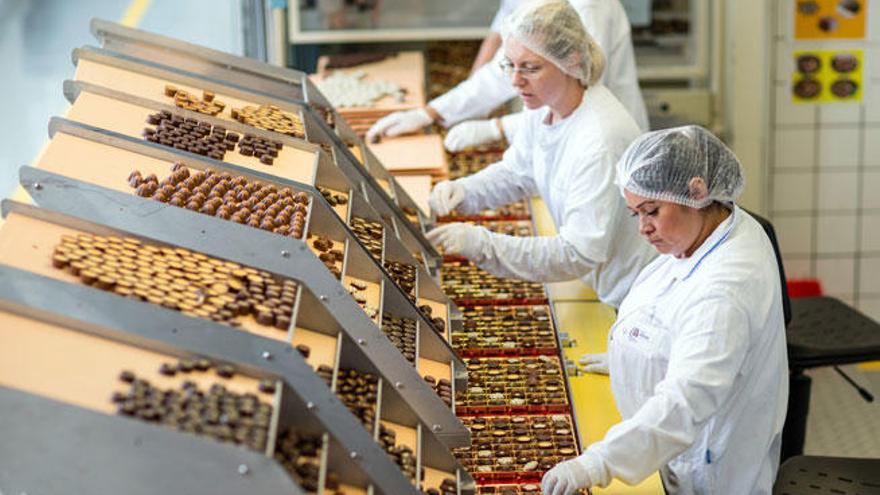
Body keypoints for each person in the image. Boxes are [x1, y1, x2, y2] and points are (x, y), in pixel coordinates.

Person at [541, 126, 789, 495]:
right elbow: (673, 312)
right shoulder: (710, 229)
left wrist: (598, 462)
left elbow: (686, 402)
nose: (643, 228)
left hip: (704, 471)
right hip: (675, 451)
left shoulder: (726, 290)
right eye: (634, 214)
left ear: (697, 191)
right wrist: (636, 356)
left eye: (651, 210)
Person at [424, 0, 655, 308]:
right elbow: (519, 171)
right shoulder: (546, 105)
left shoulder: (599, 139)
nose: (515, 81)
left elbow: (577, 253)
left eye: (530, 68)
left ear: (571, 61)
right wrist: (466, 191)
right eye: (510, 65)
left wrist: (483, 245)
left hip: (635, 292)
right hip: (602, 282)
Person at [365, 0, 649, 151]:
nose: (516, 78)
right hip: (552, 129)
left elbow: (575, 92)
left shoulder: (589, 7)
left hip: (601, 141)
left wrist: (497, 129)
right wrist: (432, 112)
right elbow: (504, 60)